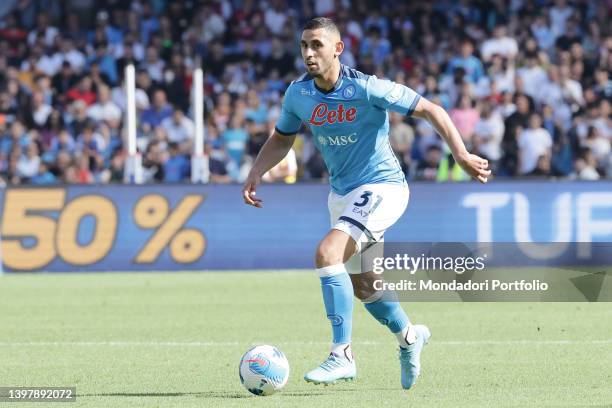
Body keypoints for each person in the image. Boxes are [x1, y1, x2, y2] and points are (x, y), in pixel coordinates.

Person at [242, 17, 490, 390]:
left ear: (337, 48)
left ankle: (342, 354)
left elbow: (431, 110)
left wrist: (461, 154)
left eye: (317, 45)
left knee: (328, 254)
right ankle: (409, 336)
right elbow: (282, 137)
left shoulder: (368, 87)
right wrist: (256, 171)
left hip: (382, 187)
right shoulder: (298, 95)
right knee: (366, 285)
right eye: (304, 46)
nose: (308, 53)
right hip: (343, 195)